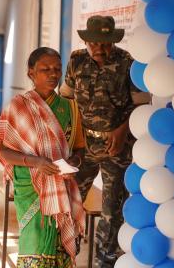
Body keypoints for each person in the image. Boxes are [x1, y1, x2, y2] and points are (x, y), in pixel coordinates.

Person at [60, 15, 149, 267]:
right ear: (87, 41)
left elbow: (142, 107)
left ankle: (105, 262)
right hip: (82, 148)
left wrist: (121, 131)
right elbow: (66, 101)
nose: (101, 48)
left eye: (106, 43)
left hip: (117, 148)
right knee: (69, 202)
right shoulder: (76, 61)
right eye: (95, 43)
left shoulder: (127, 63)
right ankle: (65, 255)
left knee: (112, 212)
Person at [0, 47, 85, 268]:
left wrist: (73, 162)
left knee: (58, 247)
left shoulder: (70, 108)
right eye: (45, 69)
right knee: (34, 243)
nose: (53, 74)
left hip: (61, 185)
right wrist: (36, 162)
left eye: (57, 69)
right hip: (30, 186)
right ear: (31, 73)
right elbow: (2, 150)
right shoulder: (18, 106)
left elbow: (80, 148)